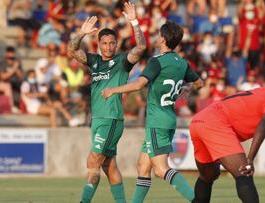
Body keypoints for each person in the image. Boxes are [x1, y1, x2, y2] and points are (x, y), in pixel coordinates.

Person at [101, 21, 204, 203]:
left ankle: (198, 200)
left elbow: (139, 84)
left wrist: (113, 90)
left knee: (160, 169)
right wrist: (188, 87)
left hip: (157, 121)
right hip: (167, 119)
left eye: (158, 35)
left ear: (163, 39)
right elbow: (200, 83)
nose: (157, 37)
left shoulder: (157, 62)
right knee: (143, 166)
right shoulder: (182, 62)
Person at [68, 2, 147, 203]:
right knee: (108, 165)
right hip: (98, 120)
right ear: (99, 44)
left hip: (111, 119)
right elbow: (72, 50)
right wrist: (82, 33)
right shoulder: (94, 61)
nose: (108, 46)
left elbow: (141, 47)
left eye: (112, 43)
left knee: (93, 160)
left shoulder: (122, 62)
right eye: (104, 43)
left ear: (116, 44)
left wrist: (134, 22)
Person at [189, 87, 265, 203]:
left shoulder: (263, 92)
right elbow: (263, 124)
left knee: (209, 174)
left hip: (199, 120)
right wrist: (250, 159)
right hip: (215, 122)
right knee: (244, 173)